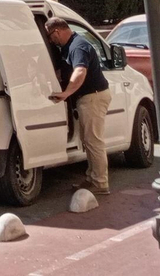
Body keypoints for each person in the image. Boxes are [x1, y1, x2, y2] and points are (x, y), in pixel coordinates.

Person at [44, 16, 112, 197]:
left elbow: (80, 71)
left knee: (93, 141)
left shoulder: (78, 46)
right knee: (88, 140)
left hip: (93, 97)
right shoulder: (69, 46)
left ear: (57, 31)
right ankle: (92, 178)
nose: (51, 41)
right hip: (89, 97)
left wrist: (66, 93)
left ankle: (100, 182)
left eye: (50, 37)